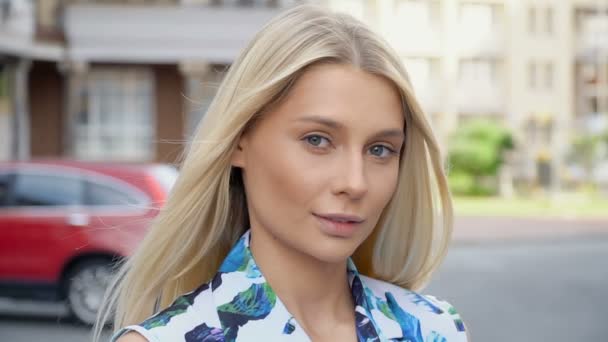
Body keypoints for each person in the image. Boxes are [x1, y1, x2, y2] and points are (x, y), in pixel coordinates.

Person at [96, 4, 469, 342]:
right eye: (318, 140)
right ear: (240, 140)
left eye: (379, 149)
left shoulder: (434, 328)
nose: (355, 183)